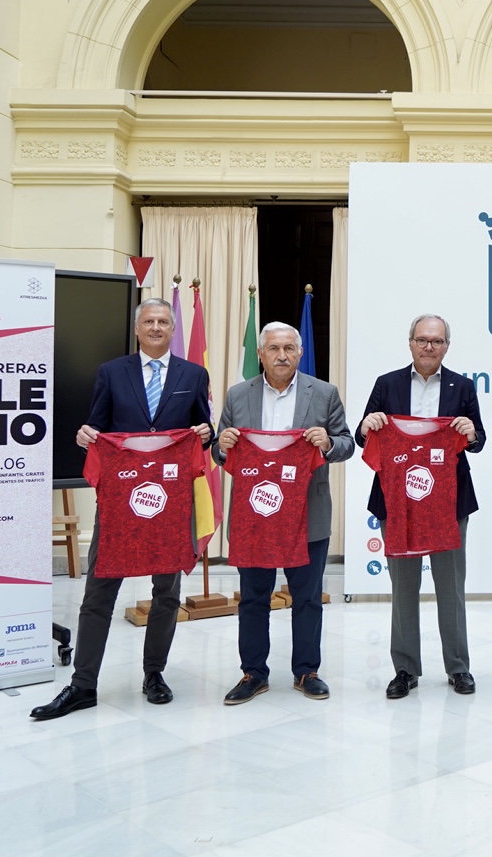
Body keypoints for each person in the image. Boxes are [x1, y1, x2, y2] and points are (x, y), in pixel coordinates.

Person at [30, 298, 212, 720]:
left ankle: (154, 675)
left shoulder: (194, 374)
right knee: (99, 592)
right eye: (148, 321)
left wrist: (205, 433)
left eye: (163, 322)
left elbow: (204, 434)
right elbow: (98, 426)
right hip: (120, 502)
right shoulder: (111, 372)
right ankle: (82, 686)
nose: (155, 327)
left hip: (169, 503)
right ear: (137, 328)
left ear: (172, 329)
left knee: (166, 594)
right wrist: (86, 436)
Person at [214, 322, 354, 704]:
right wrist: (222, 445)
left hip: (307, 513)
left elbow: (347, 443)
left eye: (289, 348)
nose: (281, 355)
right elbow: (220, 448)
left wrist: (327, 443)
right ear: (260, 353)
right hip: (255, 515)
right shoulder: (238, 395)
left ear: (300, 352)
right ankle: (253, 673)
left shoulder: (324, 393)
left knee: (307, 596)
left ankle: (307, 671)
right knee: (253, 597)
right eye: (274, 348)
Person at [356, 314, 485, 698]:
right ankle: (405, 669)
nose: (429, 347)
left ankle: (458, 668)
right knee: (404, 586)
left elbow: (477, 441)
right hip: (397, 499)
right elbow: (365, 437)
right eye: (423, 340)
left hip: (449, 501)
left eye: (437, 341)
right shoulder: (387, 384)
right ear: (410, 343)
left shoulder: (462, 386)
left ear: (447, 346)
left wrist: (470, 432)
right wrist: (368, 424)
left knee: (451, 587)